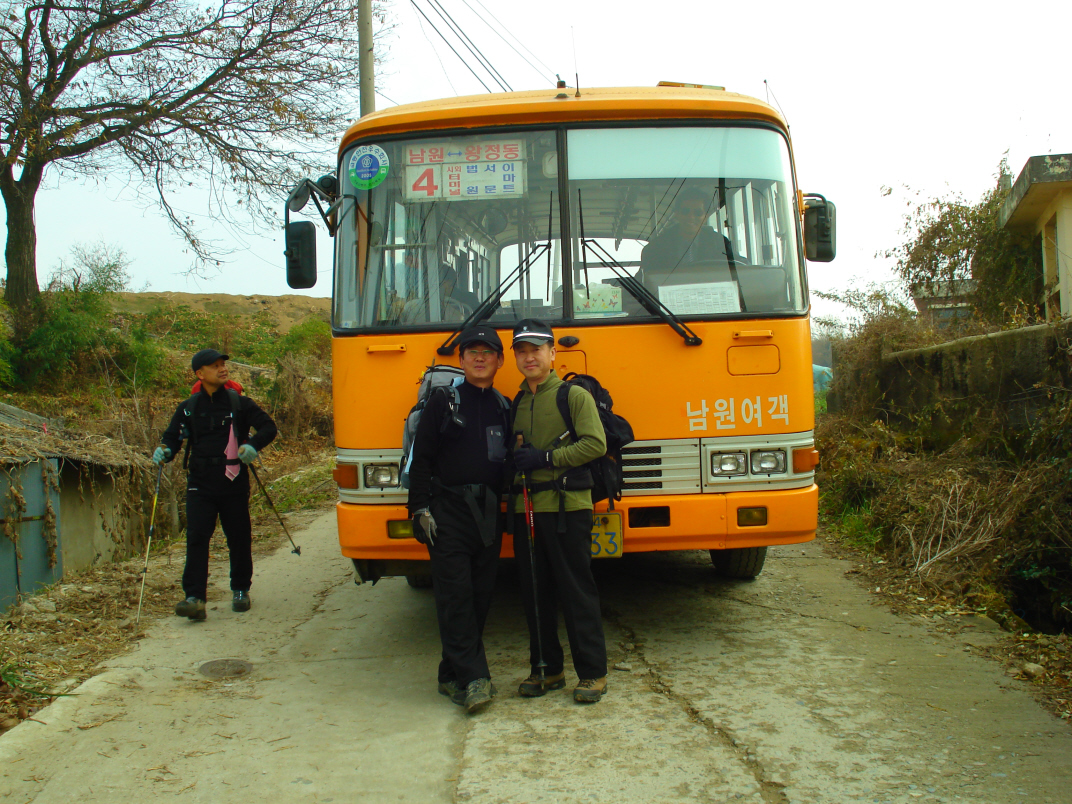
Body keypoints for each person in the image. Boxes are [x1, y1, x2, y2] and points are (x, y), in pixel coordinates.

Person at [407, 325, 511, 714]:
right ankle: (474, 679)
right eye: (472, 352)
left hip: (488, 514)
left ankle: (449, 673)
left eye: (488, 352)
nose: (480, 357)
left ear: (500, 361)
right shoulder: (443, 402)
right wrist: (419, 508)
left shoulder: (504, 405)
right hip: (447, 512)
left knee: (480, 596)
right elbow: (422, 458)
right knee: (456, 596)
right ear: (462, 360)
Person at [509, 319, 610, 703]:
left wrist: (546, 457)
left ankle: (592, 673)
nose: (529, 356)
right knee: (535, 593)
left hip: (569, 506)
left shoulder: (573, 397)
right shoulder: (517, 402)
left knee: (576, 590)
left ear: (553, 354)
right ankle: (546, 670)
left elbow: (594, 445)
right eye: (522, 350)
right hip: (527, 507)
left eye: (537, 349)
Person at [154, 349, 277, 621]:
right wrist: (165, 450)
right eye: (215, 366)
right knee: (197, 537)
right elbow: (172, 438)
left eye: (223, 365)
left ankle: (241, 590)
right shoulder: (189, 407)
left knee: (239, 536)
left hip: (233, 480)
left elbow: (269, 427)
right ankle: (194, 598)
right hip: (200, 482)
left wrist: (251, 446)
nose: (223, 369)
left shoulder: (240, 404)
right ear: (200, 374)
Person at [638, 188, 738, 285]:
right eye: (685, 212)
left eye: (698, 213)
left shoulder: (720, 243)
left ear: (705, 217)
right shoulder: (655, 248)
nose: (691, 217)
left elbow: (739, 266)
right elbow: (643, 281)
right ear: (676, 214)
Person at [401, 263, 479, 324]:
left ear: (449, 282)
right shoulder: (413, 305)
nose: (433, 285)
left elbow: (480, 318)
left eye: (438, 282)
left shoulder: (469, 299)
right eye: (431, 281)